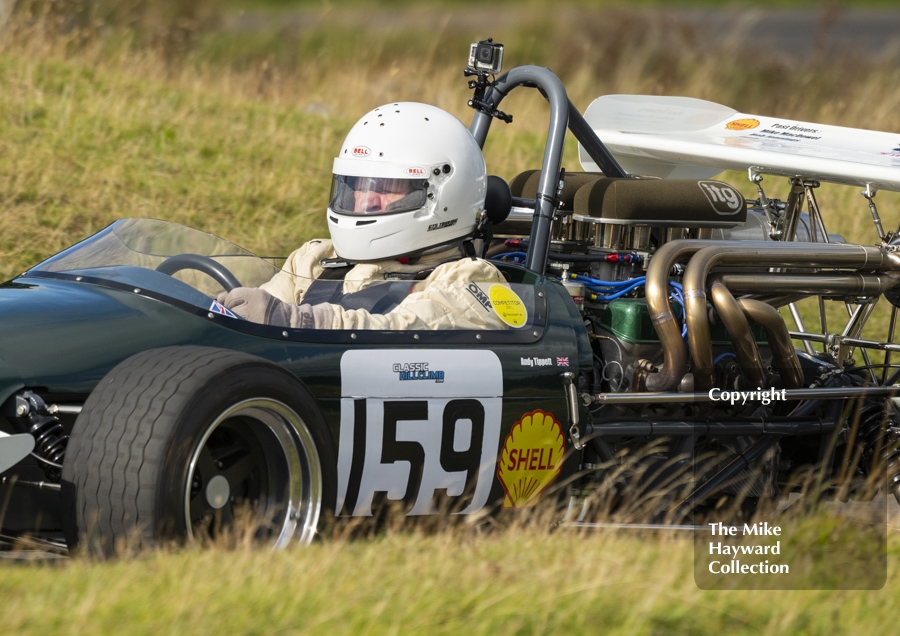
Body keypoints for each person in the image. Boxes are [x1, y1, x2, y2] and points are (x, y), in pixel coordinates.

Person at [219, 102, 509, 330]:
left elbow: (404, 332)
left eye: (387, 187)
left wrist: (302, 323)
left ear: (441, 196)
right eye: (357, 185)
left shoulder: (471, 279)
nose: (365, 199)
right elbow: (254, 318)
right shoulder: (316, 259)